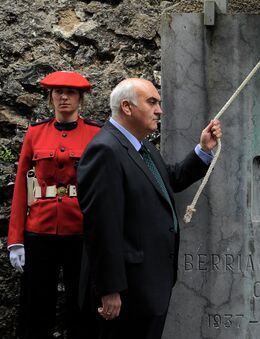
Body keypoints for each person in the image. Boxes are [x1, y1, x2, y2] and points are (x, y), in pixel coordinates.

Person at [76, 78, 222, 339]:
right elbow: (102, 227)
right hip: (126, 292)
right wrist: (110, 290)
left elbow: (170, 179)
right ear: (127, 107)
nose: (159, 110)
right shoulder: (105, 150)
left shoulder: (143, 147)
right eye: (152, 102)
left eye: (159, 103)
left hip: (148, 286)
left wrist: (202, 150)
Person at [6, 71, 102, 338]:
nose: (64, 97)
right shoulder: (36, 133)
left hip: (80, 231)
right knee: (35, 308)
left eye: (70, 93)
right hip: (40, 230)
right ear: (50, 98)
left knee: (82, 308)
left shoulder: (95, 133)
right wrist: (16, 239)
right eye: (58, 92)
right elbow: (21, 189)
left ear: (80, 99)